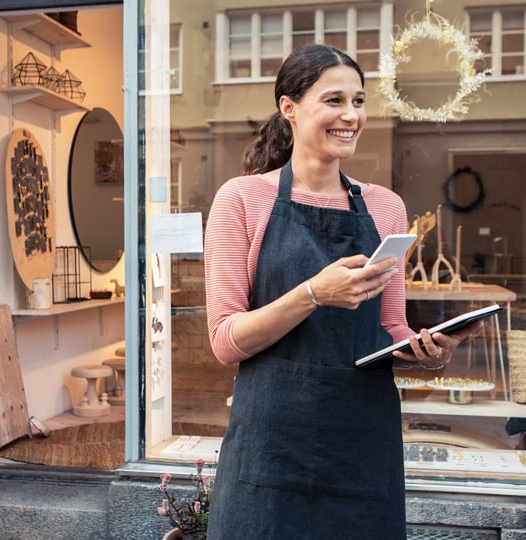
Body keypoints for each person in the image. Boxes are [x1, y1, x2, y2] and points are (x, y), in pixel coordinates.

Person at [203, 43, 484, 539]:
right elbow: (226, 341)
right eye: (334, 101)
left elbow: (388, 329)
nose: (351, 115)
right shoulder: (241, 199)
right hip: (271, 447)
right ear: (289, 109)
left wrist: (426, 352)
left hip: (361, 442)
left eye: (358, 101)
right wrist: (313, 292)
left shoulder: (386, 207)